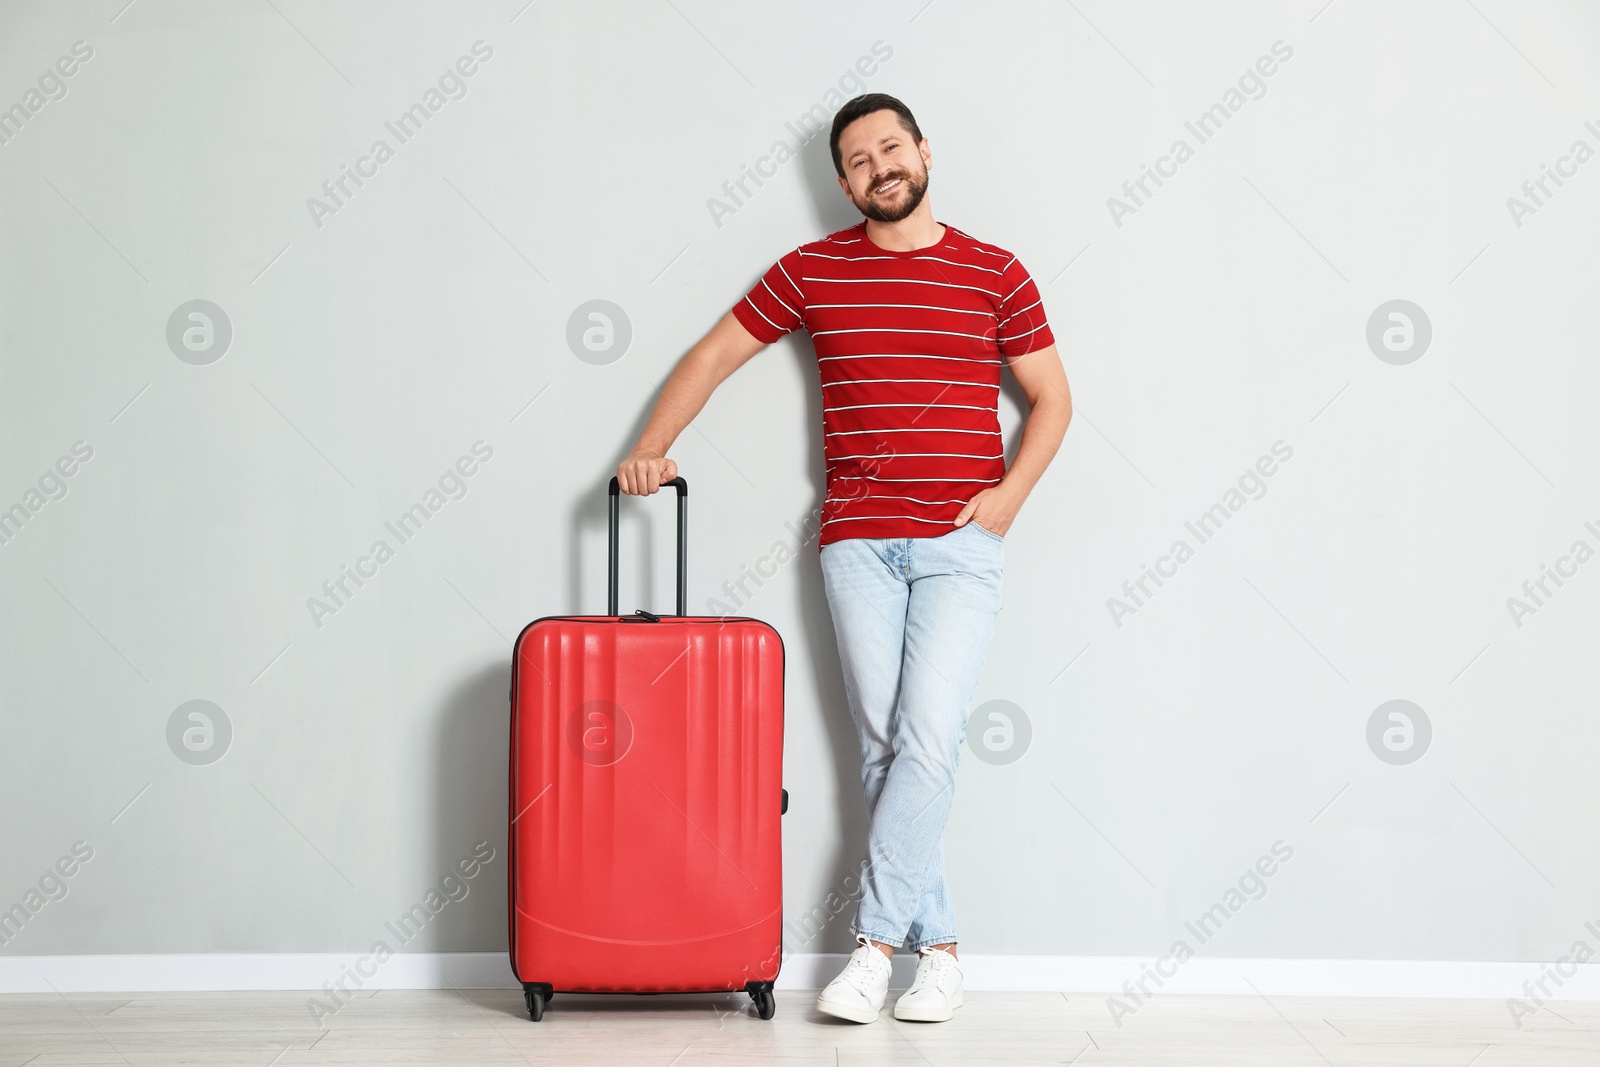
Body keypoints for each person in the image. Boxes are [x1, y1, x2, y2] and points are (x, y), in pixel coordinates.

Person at [615, 93, 1072, 1023]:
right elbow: (712, 355)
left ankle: (871, 947)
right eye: (860, 160)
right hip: (856, 543)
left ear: (925, 153)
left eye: (892, 149)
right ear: (843, 181)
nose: (880, 168)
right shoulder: (810, 271)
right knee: (882, 749)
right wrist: (652, 447)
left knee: (928, 739)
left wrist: (1006, 501)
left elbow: (1053, 400)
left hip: (958, 544)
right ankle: (937, 952)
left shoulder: (996, 271)